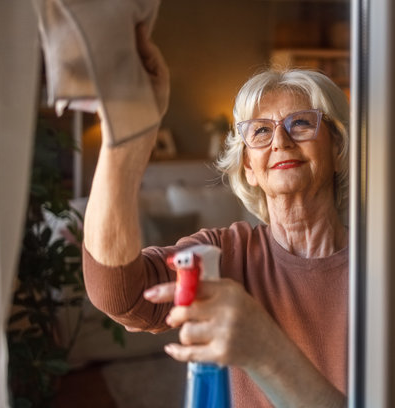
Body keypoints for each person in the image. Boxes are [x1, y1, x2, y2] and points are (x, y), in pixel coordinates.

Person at [83, 27, 349, 408]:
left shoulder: (381, 271)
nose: (280, 141)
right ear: (249, 168)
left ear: (337, 149)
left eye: (301, 123)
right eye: (260, 131)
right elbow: (120, 294)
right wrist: (123, 135)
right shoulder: (221, 254)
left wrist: (264, 349)